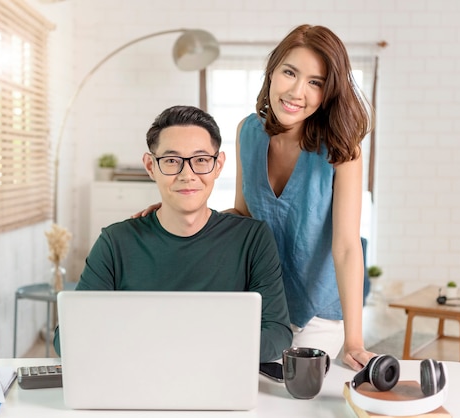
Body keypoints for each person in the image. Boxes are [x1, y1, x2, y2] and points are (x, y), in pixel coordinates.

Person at [53, 105, 293, 363]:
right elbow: (66, 337)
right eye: (171, 161)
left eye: (201, 160)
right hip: (136, 381)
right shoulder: (115, 242)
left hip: (219, 381)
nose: (187, 175)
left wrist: (187, 347)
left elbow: (277, 334)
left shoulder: (252, 239)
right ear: (150, 166)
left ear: (218, 165)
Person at [233, 24, 375, 371]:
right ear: (272, 71)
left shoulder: (343, 150)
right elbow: (241, 215)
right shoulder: (247, 131)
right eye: (290, 72)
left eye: (316, 82)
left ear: (329, 92)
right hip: (260, 303)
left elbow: (346, 246)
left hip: (317, 315)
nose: (297, 91)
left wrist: (354, 341)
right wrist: (176, 212)